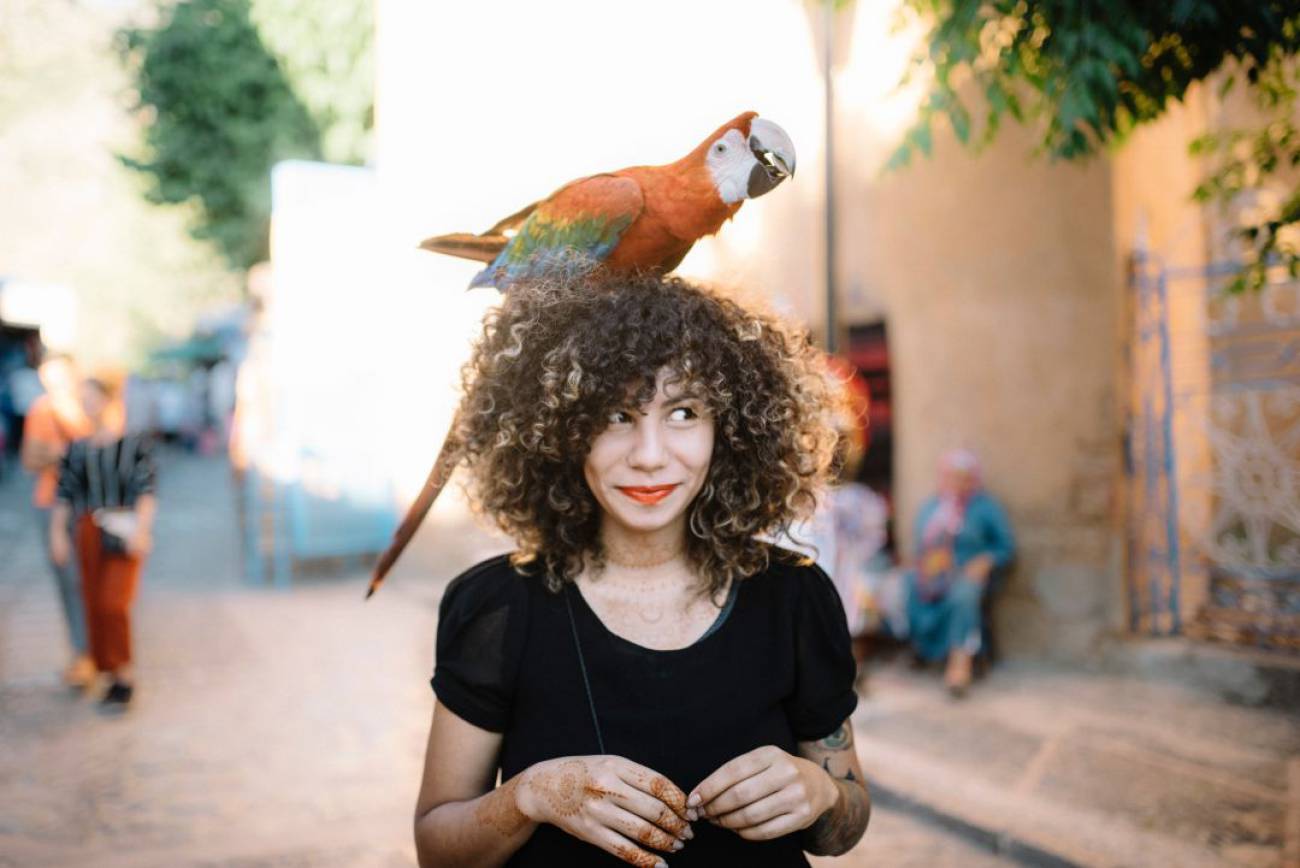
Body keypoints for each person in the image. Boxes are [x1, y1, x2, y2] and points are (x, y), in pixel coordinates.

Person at [413, 274, 871, 867]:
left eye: (683, 412)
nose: (650, 454)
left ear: (728, 429)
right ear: (561, 430)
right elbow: (436, 850)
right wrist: (529, 795)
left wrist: (822, 794)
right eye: (615, 415)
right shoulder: (497, 606)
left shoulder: (794, 595)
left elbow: (846, 824)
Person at [50, 375, 157, 709]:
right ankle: (109, 673)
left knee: (114, 603)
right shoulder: (78, 448)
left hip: (123, 528)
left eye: (91, 397)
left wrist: (141, 529)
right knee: (95, 603)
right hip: (88, 529)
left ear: (108, 400)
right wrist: (57, 533)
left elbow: (146, 490)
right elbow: (65, 494)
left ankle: (123, 674)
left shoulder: (134, 444)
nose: (86, 404)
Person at [904, 448, 1015, 697]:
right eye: (951, 476)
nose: (956, 482)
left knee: (964, 594)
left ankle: (959, 663)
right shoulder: (932, 505)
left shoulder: (985, 507)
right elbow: (920, 544)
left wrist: (986, 560)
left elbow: (1005, 547)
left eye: (963, 477)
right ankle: (926, 649)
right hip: (933, 573)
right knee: (908, 584)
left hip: (968, 572)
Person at [20, 355, 95, 686]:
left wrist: (61, 454)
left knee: (93, 580)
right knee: (69, 581)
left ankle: (97, 651)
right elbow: (30, 458)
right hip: (53, 504)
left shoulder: (89, 407)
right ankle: (83, 654)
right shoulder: (43, 410)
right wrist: (71, 454)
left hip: (90, 505)